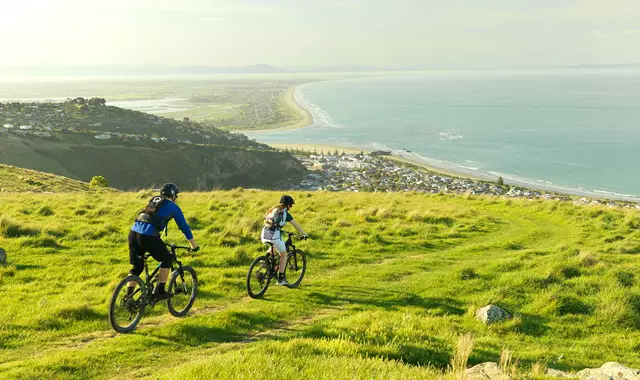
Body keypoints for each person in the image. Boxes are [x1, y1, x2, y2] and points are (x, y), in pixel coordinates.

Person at [127, 183, 198, 300]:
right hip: (148, 236)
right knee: (167, 259)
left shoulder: (153, 200)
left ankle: (128, 298)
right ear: (173, 195)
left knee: (137, 267)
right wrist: (193, 245)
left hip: (133, 233)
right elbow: (184, 227)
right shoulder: (173, 207)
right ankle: (159, 291)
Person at [261, 195, 308, 286]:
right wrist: (304, 234)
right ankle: (281, 279)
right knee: (283, 255)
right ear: (288, 205)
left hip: (264, 234)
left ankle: (265, 260)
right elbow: (296, 225)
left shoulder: (272, 210)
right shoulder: (285, 213)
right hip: (274, 236)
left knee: (274, 246)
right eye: (291, 205)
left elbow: (272, 223)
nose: (291, 207)